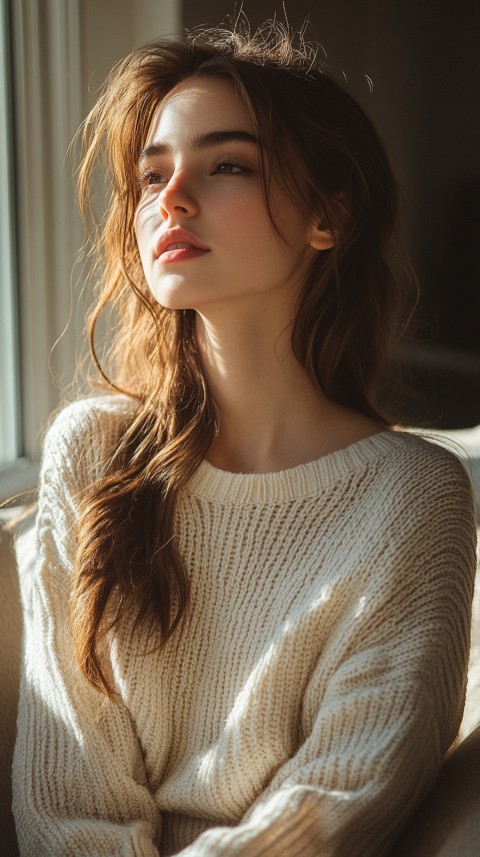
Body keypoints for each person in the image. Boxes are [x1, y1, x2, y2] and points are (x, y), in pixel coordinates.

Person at [12, 17, 477, 857]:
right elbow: (65, 790)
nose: (171, 198)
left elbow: (345, 793)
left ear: (327, 217)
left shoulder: (411, 495)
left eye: (226, 164)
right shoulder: (92, 452)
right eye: (153, 175)